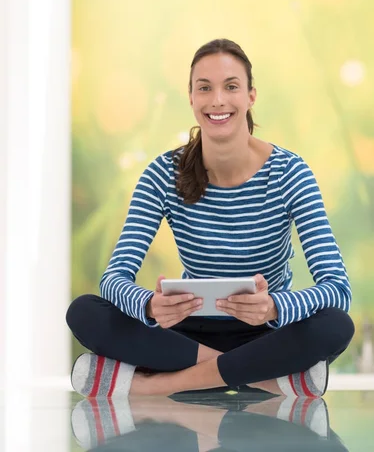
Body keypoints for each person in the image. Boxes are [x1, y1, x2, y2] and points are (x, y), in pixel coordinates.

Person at [66, 38, 355, 399]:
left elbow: (337, 290)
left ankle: (158, 386)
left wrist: (275, 306)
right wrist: (149, 305)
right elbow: (114, 278)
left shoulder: (290, 173)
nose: (217, 100)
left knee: (334, 326)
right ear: (191, 98)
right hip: (190, 332)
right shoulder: (162, 175)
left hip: (264, 330)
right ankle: (263, 379)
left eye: (231, 86)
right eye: (205, 88)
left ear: (251, 96)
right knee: (84, 312)